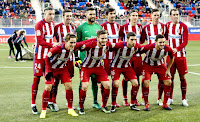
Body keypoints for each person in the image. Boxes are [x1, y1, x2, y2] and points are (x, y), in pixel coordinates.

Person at [39, 33, 90, 118]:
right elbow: (47, 57)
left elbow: (85, 41)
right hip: (51, 69)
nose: (73, 45)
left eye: (74, 42)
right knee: (48, 87)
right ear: (66, 41)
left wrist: (97, 39)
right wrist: (48, 70)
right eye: (71, 42)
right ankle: (43, 110)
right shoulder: (58, 48)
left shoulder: (73, 47)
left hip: (63, 69)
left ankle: (70, 109)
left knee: (69, 86)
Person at [31, 7, 60, 114]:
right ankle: (33, 104)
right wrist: (52, 44)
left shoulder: (53, 24)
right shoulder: (39, 25)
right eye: (49, 14)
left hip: (49, 58)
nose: (51, 16)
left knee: (50, 81)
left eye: (53, 14)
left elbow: (55, 37)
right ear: (44, 14)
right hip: (39, 58)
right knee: (36, 79)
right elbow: (40, 41)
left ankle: (49, 102)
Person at [75, 7, 103, 109]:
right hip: (84, 60)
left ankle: (95, 102)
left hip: (95, 60)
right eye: (90, 14)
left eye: (94, 14)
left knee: (95, 81)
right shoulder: (80, 28)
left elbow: (101, 44)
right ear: (86, 15)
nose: (92, 16)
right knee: (82, 82)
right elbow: (76, 44)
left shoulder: (99, 27)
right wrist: (76, 58)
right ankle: (80, 103)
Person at [78, 30, 111, 115]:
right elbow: (77, 46)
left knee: (107, 85)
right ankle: (81, 107)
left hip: (98, 67)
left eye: (106, 38)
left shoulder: (108, 44)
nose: (104, 40)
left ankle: (104, 105)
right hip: (86, 67)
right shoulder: (90, 45)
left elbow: (118, 46)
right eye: (102, 38)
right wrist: (77, 58)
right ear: (97, 38)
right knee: (84, 86)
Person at [140, 34, 174, 111]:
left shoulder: (167, 48)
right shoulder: (148, 47)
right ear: (155, 42)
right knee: (146, 82)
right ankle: (146, 104)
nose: (162, 44)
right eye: (160, 42)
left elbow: (172, 57)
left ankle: (165, 104)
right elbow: (138, 52)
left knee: (168, 82)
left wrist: (168, 69)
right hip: (148, 65)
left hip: (160, 65)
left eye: (163, 42)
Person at [141, 9, 167, 106]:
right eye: (155, 15)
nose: (157, 17)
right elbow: (142, 41)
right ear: (151, 16)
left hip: (160, 59)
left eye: (158, 15)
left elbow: (166, 39)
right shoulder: (146, 28)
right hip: (148, 59)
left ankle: (159, 99)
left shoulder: (164, 27)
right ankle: (144, 98)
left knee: (162, 80)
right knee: (146, 80)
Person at [52, 9, 77, 111]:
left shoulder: (74, 27)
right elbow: (48, 38)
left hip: (70, 59)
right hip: (58, 59)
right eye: (67, 16)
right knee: (56, 81)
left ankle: (68, 101)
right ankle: (53, 102)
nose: (69, 18)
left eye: (70, 16)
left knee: (69, 81)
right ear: (63, 17)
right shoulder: (57, 27)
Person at [110, 32, 141, 112]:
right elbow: (108, 47)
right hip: (116, 66)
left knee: (135, 83)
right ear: (127, 40)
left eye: (135, 40)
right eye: (131, 40)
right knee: (116, 84)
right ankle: (113, 104)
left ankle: (132, 103)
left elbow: (146, 48)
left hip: (127, 66)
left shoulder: (137, 46)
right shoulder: (119, 45)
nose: (133, 42)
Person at [119, 10, 142, 106]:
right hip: (127, 57)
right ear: (129, 16)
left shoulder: (140, 27)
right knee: (126, 78)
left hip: (137, 57)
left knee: (137, 78)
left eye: (136, 15)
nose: (135, 17)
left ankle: (134, 98)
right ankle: (125, 98)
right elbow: (120, 39)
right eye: (133, 15)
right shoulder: (124, 27)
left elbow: (142, 39)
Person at [166, 9, 189, 106]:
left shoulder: (184, 26)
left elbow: (185, 42)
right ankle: (170, 98)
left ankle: (184, 99)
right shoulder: (167, 25)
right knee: (170, 78)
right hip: (170, 57)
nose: (176, 16)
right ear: (170, 16)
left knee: (182, 77)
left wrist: (177, 48)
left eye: (177, 14)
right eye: (174, 15)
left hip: (181, 56)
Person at [100, 7, 121, 107]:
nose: (113, 15)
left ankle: (114, 101)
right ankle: (103, 102)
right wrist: (111, 45)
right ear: (106, 15)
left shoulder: (118, 26)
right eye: (111, 13)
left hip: (116, 58)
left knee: (115, 81)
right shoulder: (102, 26)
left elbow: (120, 40)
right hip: (105, 58)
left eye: (114, 13)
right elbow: (100, 40)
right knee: (104, 81)